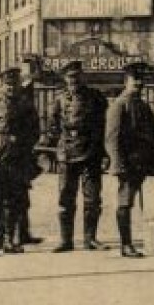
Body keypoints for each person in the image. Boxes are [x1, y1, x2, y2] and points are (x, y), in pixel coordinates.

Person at [105, 61, 154, 257]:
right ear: (126, 82)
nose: (139, 83)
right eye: (135, 80)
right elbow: (112, 138)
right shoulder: (119, 105)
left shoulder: (142, 105)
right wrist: (118, 165)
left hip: (146, 159)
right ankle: (126, 245)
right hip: (129, 162)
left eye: (141, 80)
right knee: (125, 201)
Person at [0, 67, 40, 257]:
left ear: (19, 85)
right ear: (2, 86)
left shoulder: (27, 106)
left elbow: (34, 132)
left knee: (12, 202)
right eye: (8, 84)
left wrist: (21, 145)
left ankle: (9, 241)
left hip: (16, 160)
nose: (11, 88)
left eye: (15, 84)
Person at [47, 60, 108, 251]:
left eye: (77, 76)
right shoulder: (57, 100)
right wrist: (58, 145)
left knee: (92, 198)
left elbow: (103, 125)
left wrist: (103, 152)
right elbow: (52, 127)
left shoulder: (95, 97)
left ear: (82, 77)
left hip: (90, 152)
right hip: (66, 153)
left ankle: (90, 239)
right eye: (70, 77)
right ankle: (66, 240)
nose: (74, 80)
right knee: (65, 197)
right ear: (65, 79)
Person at [15, 56, 44, 247]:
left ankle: (23, 234)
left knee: (22, 196)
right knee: (11, 197)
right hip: (11, 154)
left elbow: (34, 127)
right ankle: (10, 235)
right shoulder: (17, 96)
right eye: (26, 67)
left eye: (31, 67)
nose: (28, 71)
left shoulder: (29, 91)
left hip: (23, 154)